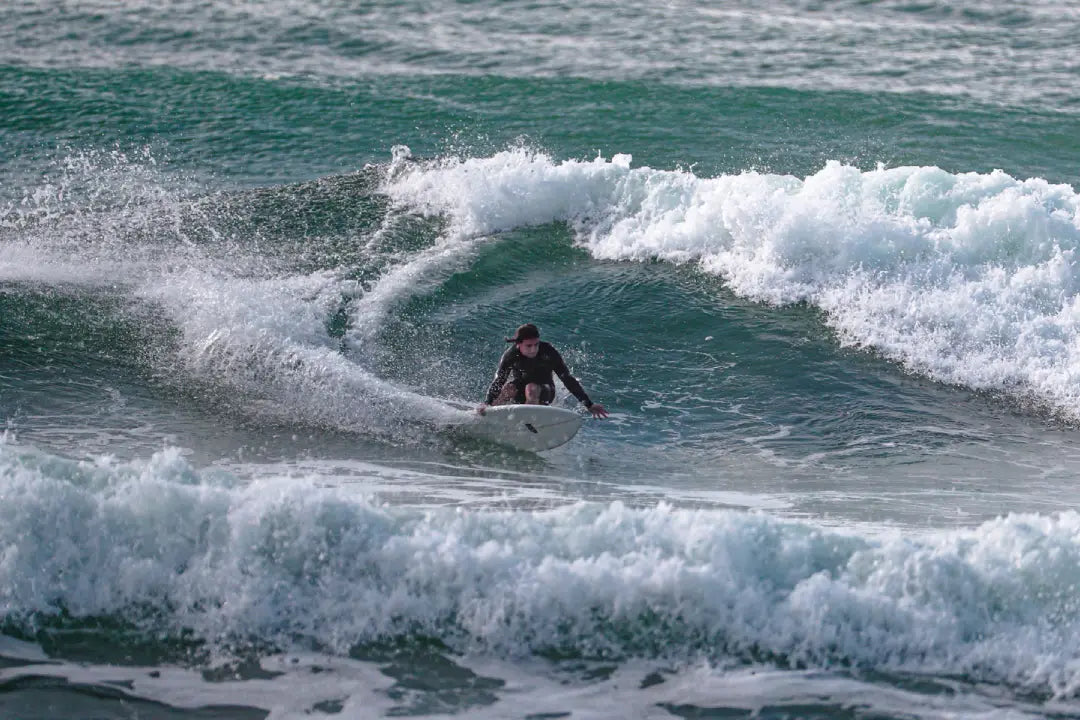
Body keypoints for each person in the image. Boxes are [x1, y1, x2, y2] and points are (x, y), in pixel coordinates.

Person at [477, 323, 608, 418]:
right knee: (508, 388)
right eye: (529, 346)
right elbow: (499, 380)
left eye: (536, 345)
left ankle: (529, 422)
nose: (533, 349)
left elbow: (567, 379)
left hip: (545, 391)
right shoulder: (511, 355)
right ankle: (487, 414)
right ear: (518, 344)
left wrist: (589, 404)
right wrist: (487, 402)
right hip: (521, 392)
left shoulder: (548, 352)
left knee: (531, 388)